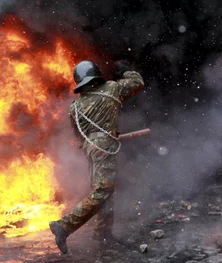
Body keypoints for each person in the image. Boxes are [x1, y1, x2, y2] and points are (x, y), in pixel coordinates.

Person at [49, 60, 144, 254]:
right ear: (96, 74)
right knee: (102, 191)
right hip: (103, 147)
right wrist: (126, 71)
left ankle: (103, 236)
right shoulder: (111, 88)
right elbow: (138, 82)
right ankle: (64, 226)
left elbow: (80, 139)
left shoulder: (74, 107)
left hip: (90, 149)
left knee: (104, 193)